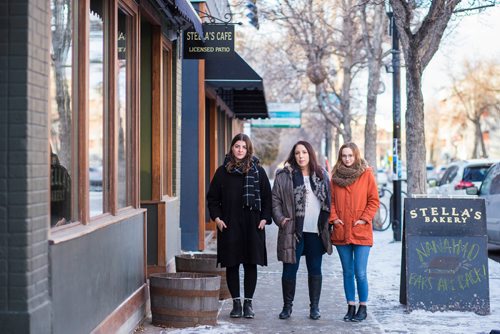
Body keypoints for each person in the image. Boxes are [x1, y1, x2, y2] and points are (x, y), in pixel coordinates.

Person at [206, 133, 272, 319]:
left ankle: (248, 303)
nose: (240, 150)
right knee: (232, 264)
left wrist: (265, 218)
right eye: (237, 146)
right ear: (232, 148)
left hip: (253, 225)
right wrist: (217, 219)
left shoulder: (258, 172)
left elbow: (268, 198)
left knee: (251, 264)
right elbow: (212, 199)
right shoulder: (222, 172)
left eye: (243, 147)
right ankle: (236, 303)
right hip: (230, 224)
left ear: (248, 149)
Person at [271, 140, 332, 320]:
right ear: (293, 155)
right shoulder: (284, 176)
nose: (301, 156)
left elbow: (329, 202)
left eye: (304, 152)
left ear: (310, 154)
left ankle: (315, 308)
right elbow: (275, 201)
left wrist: (327, 223)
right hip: (292, 231)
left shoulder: (321, 175)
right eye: (297, 153)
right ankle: (287, 307)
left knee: (315, 270)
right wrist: (281, 220)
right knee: (289, 270)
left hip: (316, 231)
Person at [329, 142, 380, 322]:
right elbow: (331, 201)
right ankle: (351, 305)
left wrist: (364, 219)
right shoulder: (335, 177)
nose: (347, 159)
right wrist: (334, 219)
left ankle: (363, 306)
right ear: (340, 157)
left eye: (350, 155)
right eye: (344, 156)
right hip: (342, 230)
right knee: (347, 272)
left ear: (356, 156)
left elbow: (373, 200)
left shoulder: (366, 174)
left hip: (361, 230)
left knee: (360, 272)